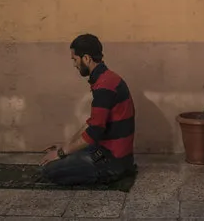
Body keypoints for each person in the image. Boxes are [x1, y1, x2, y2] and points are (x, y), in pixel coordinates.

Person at [40, 34, 136, 185]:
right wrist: (66, 145)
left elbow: (94, 132)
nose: (74, 64)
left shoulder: (105, 85)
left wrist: (61, 153)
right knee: (66, 155)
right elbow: (92, 123)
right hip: (109, 152)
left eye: (75, 59)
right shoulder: (106, 78)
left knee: (49, 170)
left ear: (86, 58)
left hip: (112, 160)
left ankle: (108, 174)